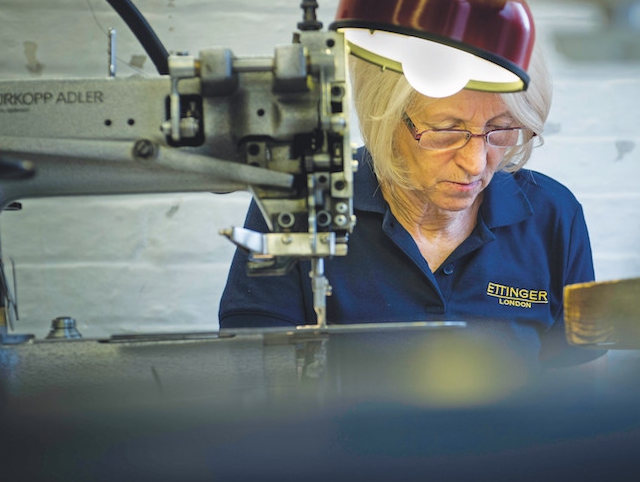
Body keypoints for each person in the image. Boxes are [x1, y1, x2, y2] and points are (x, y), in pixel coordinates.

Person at [219, 49, 600, 370]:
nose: (475, 162)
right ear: (383, 117)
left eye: (501, 130)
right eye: (447, 131)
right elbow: (256, 375)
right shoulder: (298, 202)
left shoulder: (552, 215)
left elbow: (569, 383)